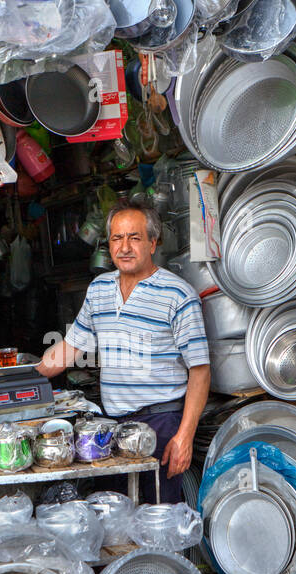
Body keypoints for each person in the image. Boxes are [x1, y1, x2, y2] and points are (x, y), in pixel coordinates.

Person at [37, 197, 210, 504]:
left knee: (158, 515)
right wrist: (22, 378)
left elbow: (200, 371)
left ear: (153, 243)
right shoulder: (99, 289)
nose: (125, 247)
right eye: (117, 238)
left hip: (161, 424)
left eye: (135, 238)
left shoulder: (178, 295)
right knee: (114, 512)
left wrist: (184, 436)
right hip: (111, 428)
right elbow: (69, 348)